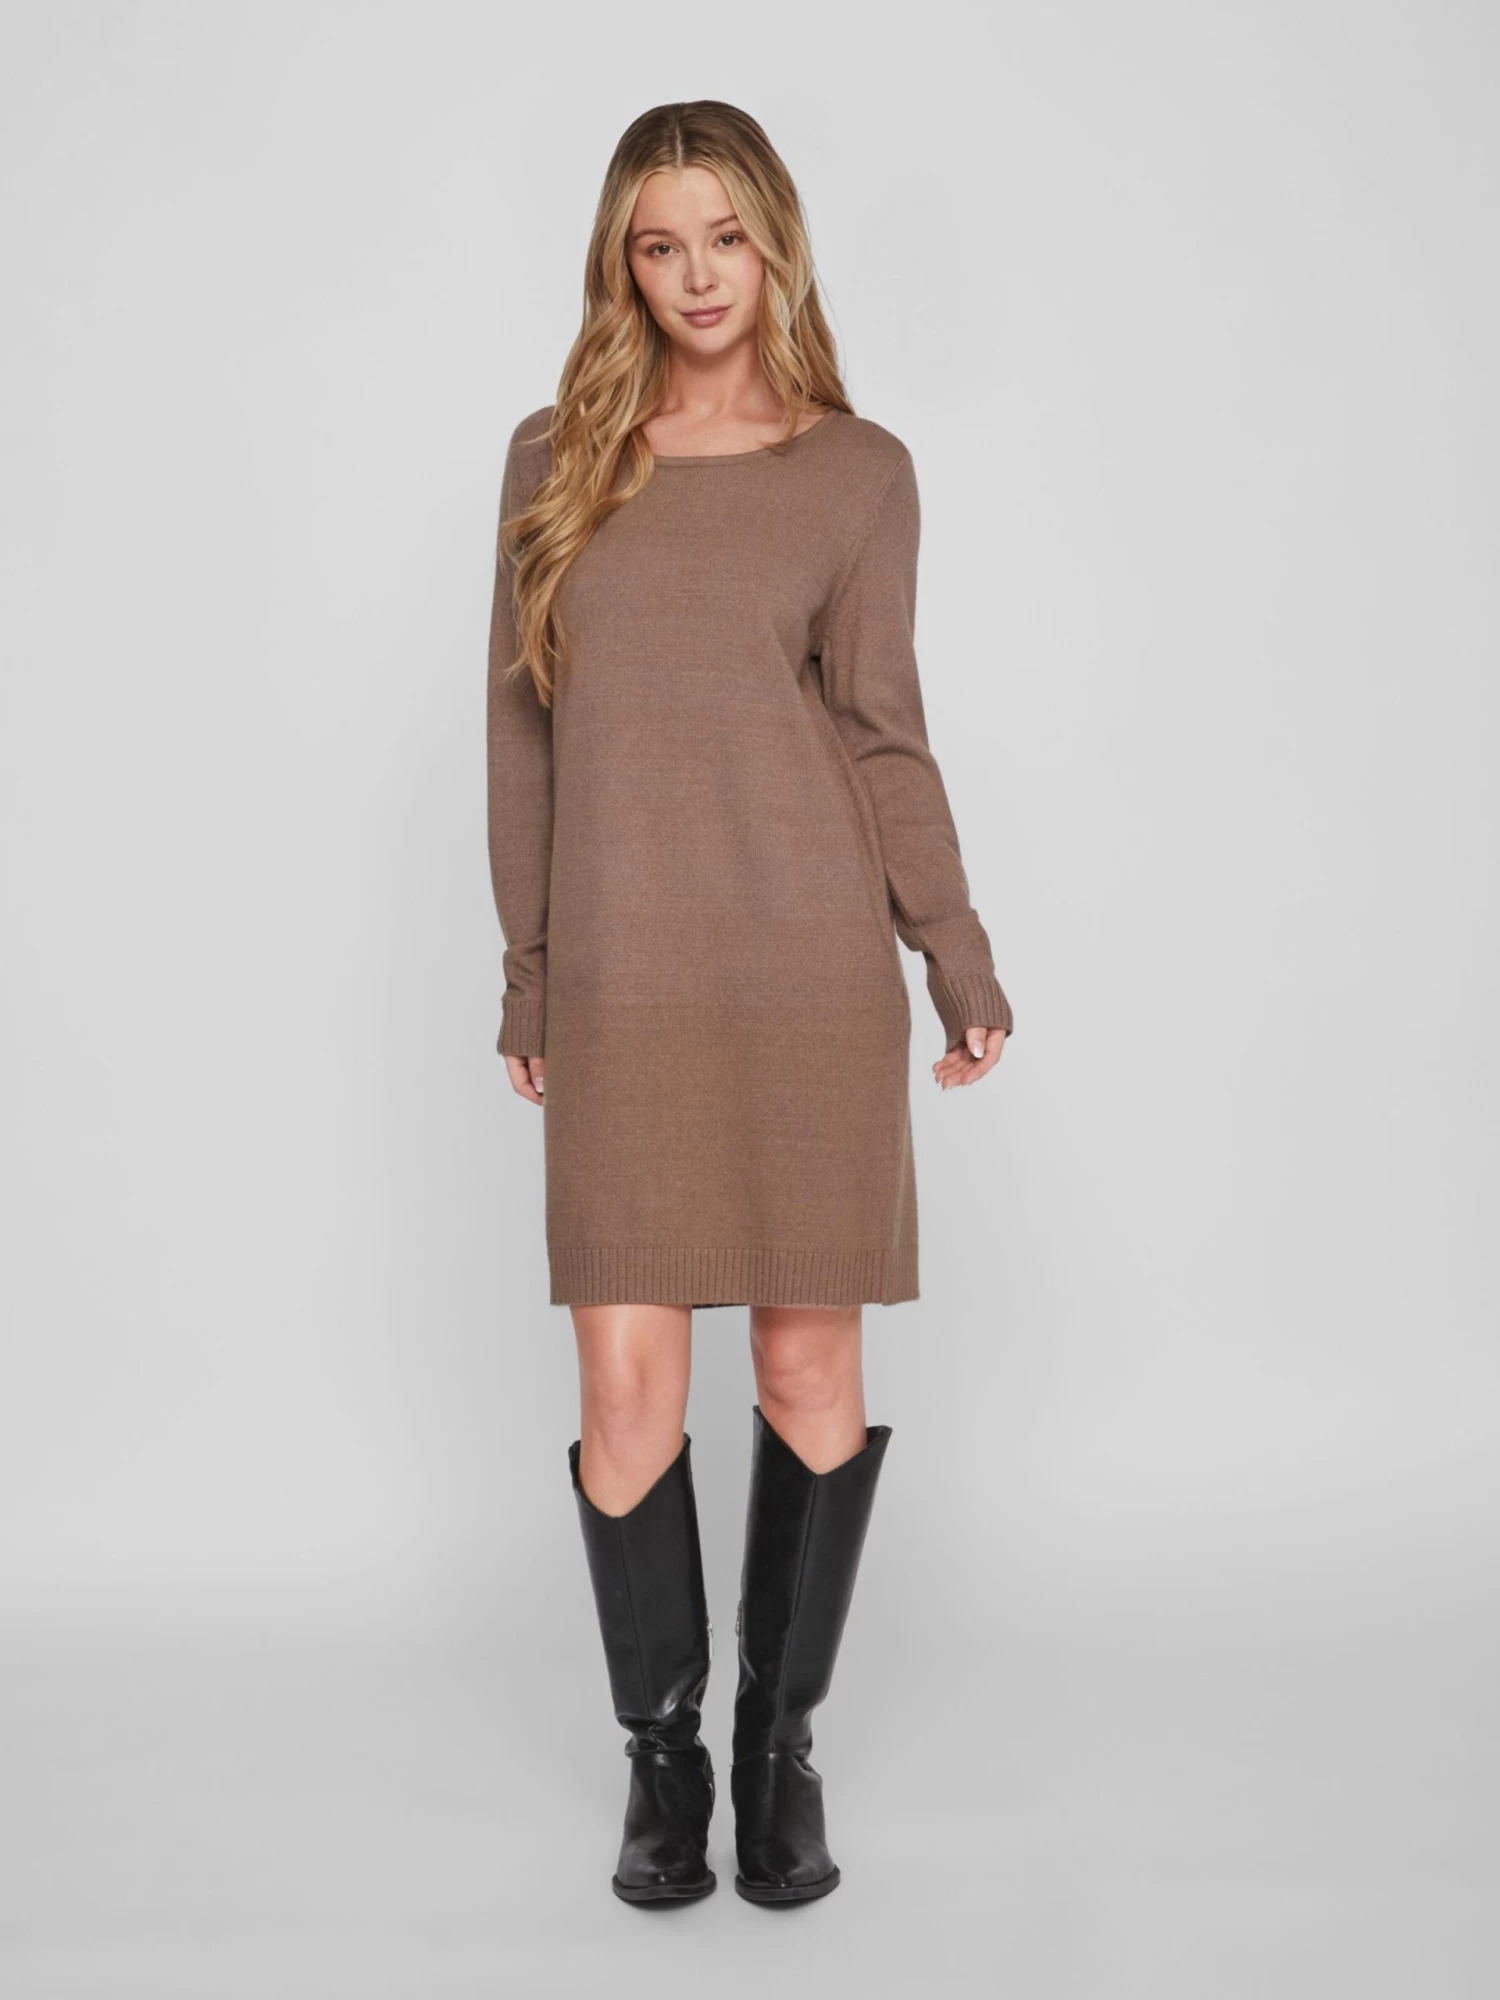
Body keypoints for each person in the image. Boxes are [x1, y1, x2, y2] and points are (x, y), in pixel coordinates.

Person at [485, 99, 1014, 1907]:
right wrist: (530, 970)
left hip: (804, 966)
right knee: (627, 1382)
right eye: (660, 244)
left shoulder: (857, 472)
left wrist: (953, 949)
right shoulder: (556, 458)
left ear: (773, 242)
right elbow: (522, 736)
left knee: (805, 1366)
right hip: (625, 971)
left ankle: (779, 1752)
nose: (697, 276)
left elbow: (880, 731)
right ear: (622, 264)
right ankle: (666, 1766)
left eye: (724, 237)